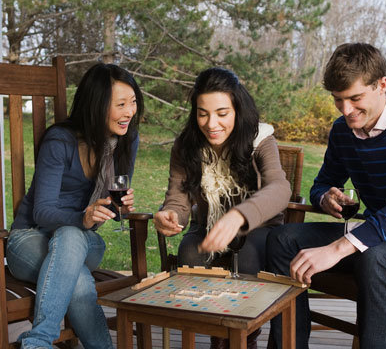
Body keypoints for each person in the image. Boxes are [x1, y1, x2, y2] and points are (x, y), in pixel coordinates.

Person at [266, 42, 386, 348]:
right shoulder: (342, 131)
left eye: (355, 98)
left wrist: (339, 248)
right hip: (375, 231)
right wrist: (325, 196)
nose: (346, 110)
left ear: (381, 85)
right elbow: (321, 183)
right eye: (338, 100)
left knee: (375, 259)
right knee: (282, 239)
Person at [6, 63, 144, 349]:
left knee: (70, 238)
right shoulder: (60, 141)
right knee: (79, 280)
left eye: (132, 102)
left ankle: (36, 342)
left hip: (83, 243)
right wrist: (83, 218)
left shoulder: (125, 141)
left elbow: (109, 209)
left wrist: (121, 208)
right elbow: (41, 211)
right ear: (96, 105)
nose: (129, 112)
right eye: (120, 104)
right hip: (29, 238)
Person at [154, 67, 291, 349]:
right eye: (202, 113)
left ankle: (243, 338)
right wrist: (170, 215)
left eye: (222, 113)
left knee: (248, 254)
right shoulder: (185, 146)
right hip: (206, 226)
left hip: (258, 229)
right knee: (190, 251)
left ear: (237, 109)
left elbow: (280, 188)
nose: (211, 123)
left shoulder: (260, 138)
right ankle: (220, 337)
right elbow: (178, 198)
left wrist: (240, 216)